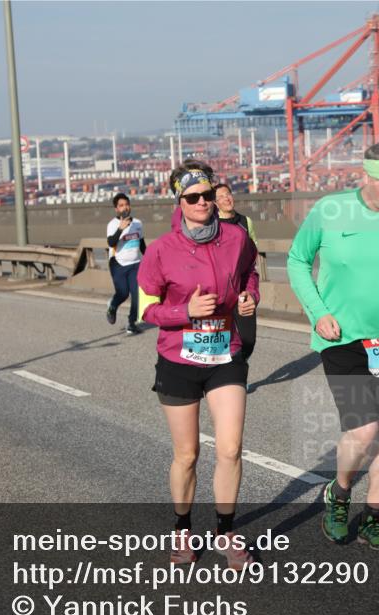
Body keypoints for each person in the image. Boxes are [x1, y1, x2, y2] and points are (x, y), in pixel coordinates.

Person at [287, 141, 379, 551]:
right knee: (364, 431)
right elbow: (297, 261)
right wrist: (318, 312)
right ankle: (338, 495)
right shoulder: (330, 210)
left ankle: (372, 517)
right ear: (366, 176)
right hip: (342, 337)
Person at [137, 161, 260, 570]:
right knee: (187, 455)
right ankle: (182, 529)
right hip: (178, 358)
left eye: (207, 195)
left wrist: (249, 296)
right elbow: (146, 309)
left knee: (230, 448)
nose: (203, 202)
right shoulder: (161, 250)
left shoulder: (236, 237)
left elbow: (250, 272)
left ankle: (226, 531)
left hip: (225, 352)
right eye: (193, 197)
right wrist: (183, 311)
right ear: (180, 201)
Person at [215, 183, 258, 361]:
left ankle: (240, 363)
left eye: (228, 194)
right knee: (221, 339)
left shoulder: (246, 222)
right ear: (215, 203)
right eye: (221, 197)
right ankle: (232, 371)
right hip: (220, 291)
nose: (226, 198)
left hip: (242, 289)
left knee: (248, 339)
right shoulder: (212, 224)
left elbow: (253, 253)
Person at [105, 193, 145, 334]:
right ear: (116, 209)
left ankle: (131, 323)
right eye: (121, 206)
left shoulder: (138, 223)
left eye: (127, 204)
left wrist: (149, 259)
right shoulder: (112, 224)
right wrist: (120, 229)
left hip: (135, 264)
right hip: (118, 264)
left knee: (137, 296)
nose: (125, 207)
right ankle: (112, 305)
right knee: (123, 293)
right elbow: (111, 243)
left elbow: (142, 244)